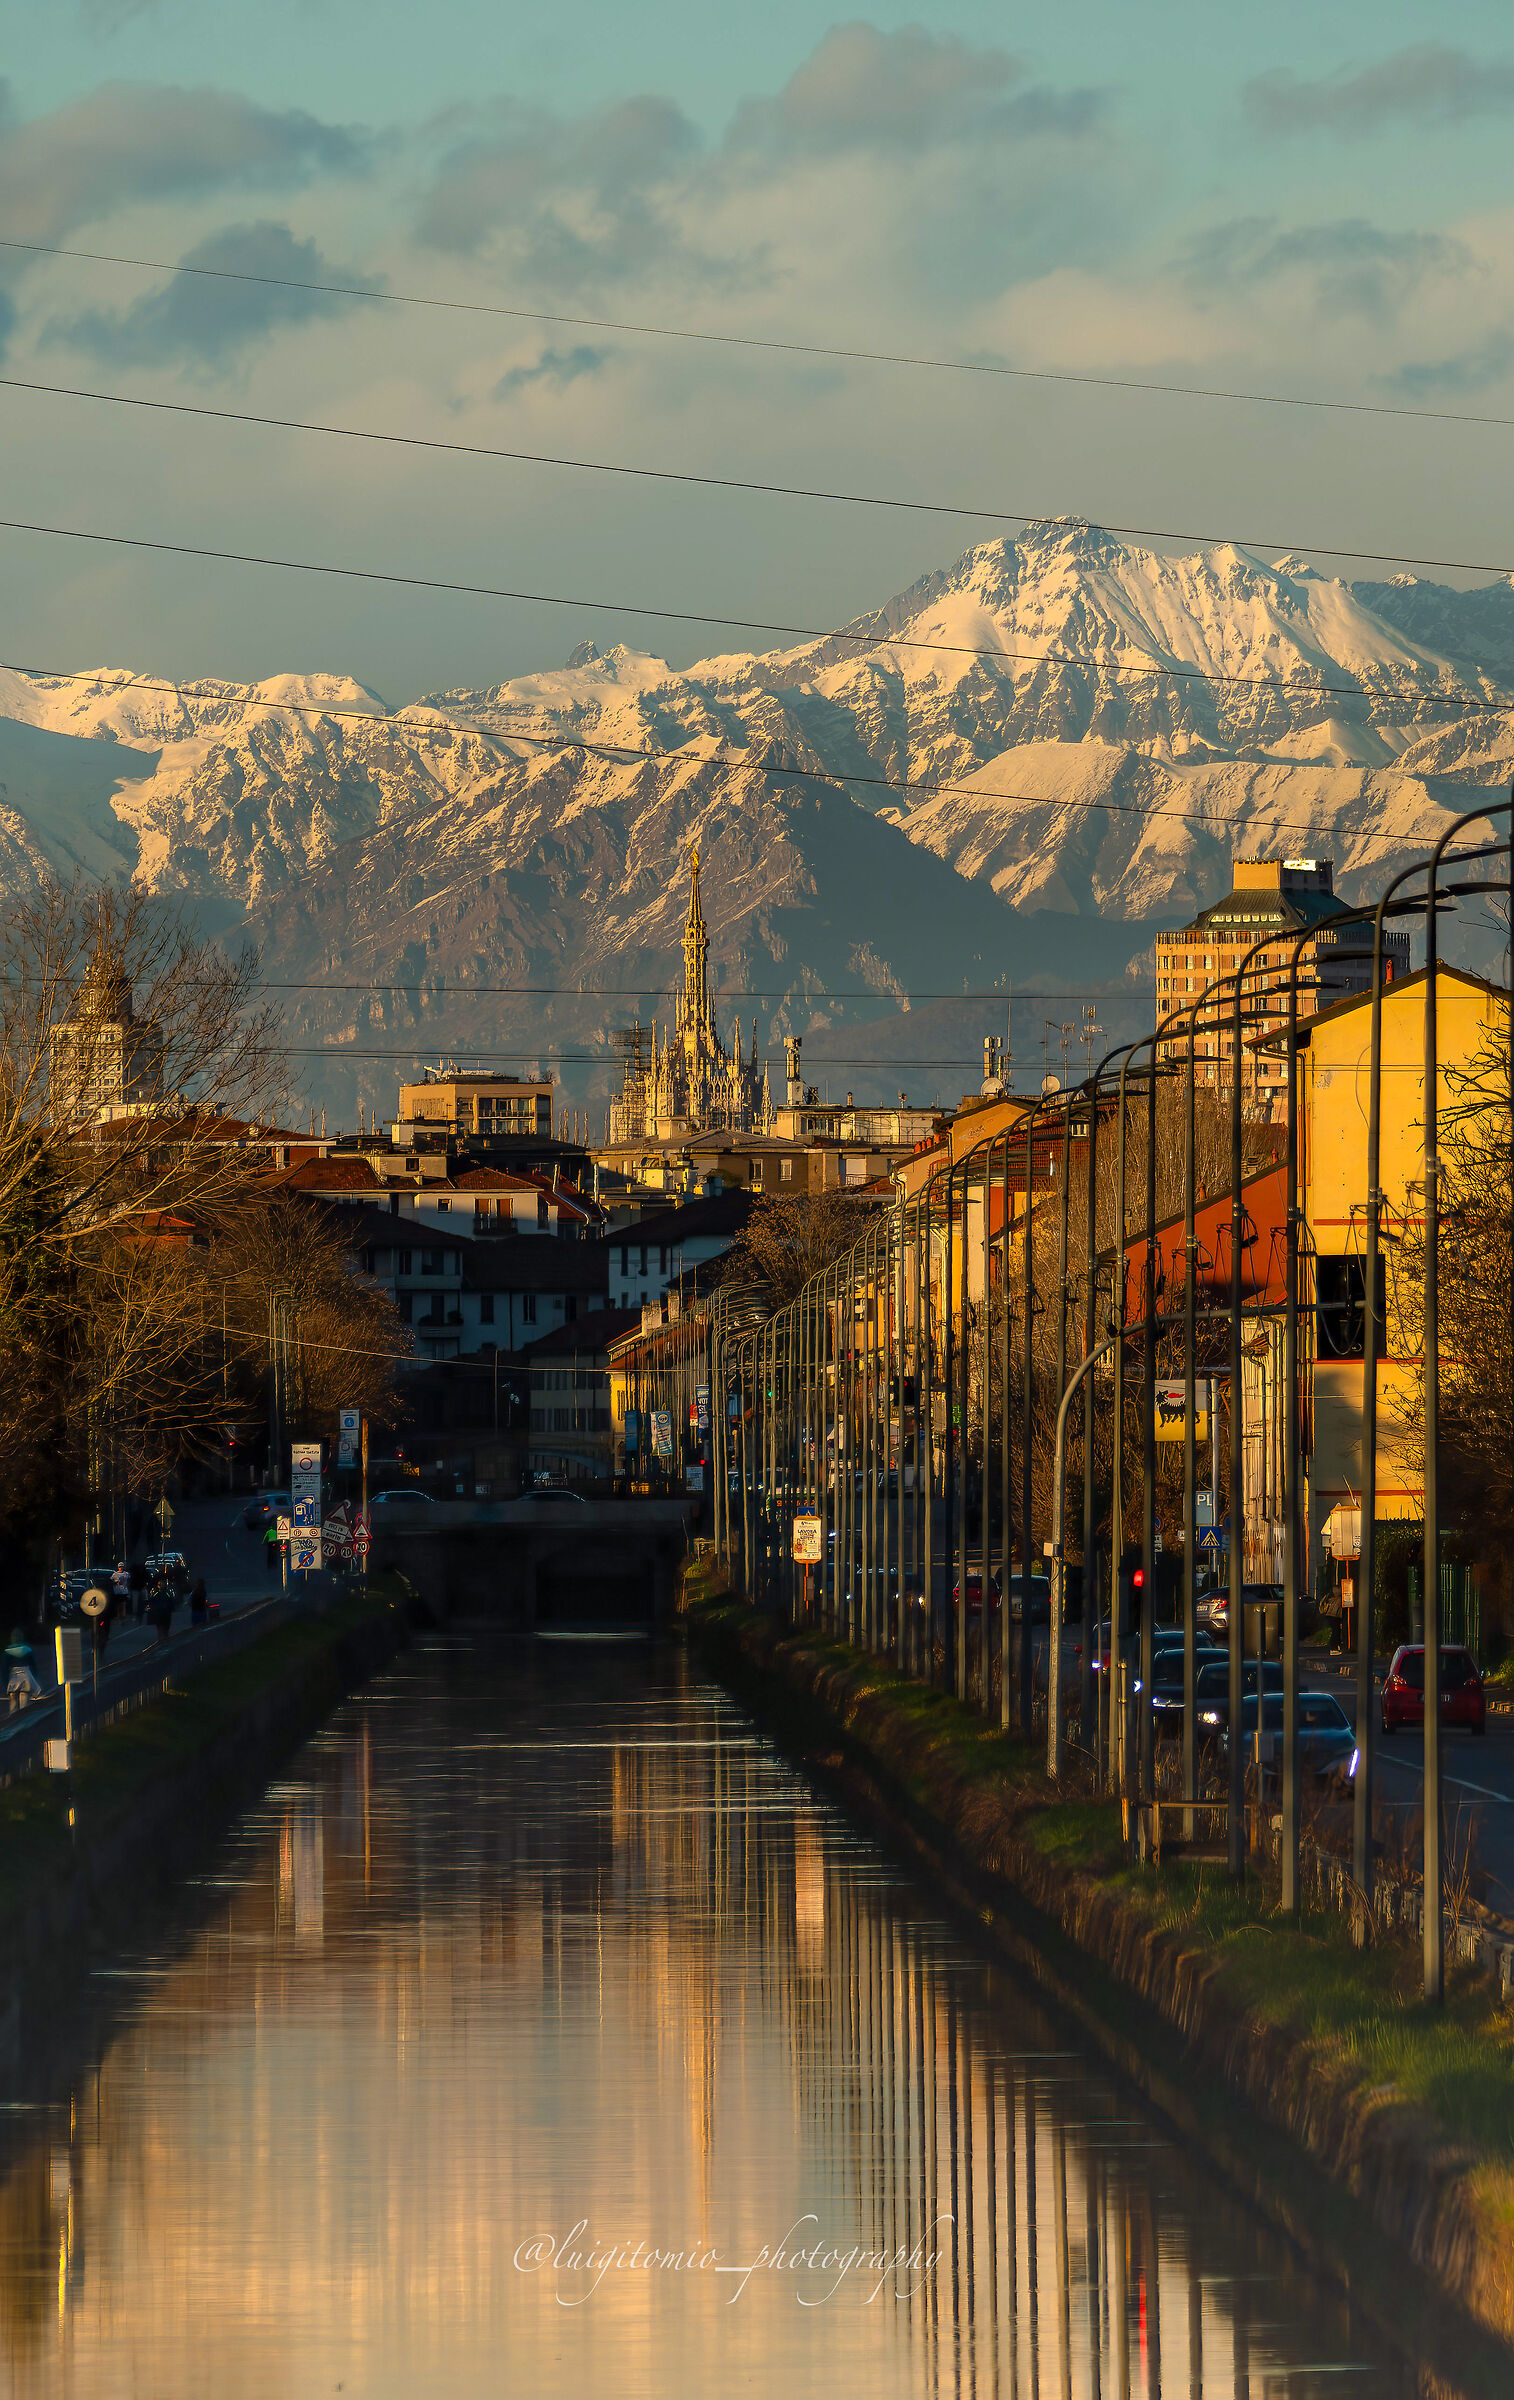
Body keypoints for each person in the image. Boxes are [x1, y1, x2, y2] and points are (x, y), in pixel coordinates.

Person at [5, 1629, 41, 1712]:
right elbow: (33, 1666)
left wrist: (5, 1682)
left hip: (13, 1679)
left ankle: (13, 1722)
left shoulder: (7, 1651)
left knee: (13, 1705)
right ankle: (24, 1722)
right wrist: (35, 1677)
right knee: (24, 1708)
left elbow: (4, 1669)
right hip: (26, 1678)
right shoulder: (27, 1650)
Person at [128, 1558, 149, 1622]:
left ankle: (146, 1607)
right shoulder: (134, 1570)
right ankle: (135, 1614)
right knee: (135, 1601)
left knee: (144, 1597)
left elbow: (146, 1577)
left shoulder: (143, 1570)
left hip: (140, 1587)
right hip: (136, 1588)